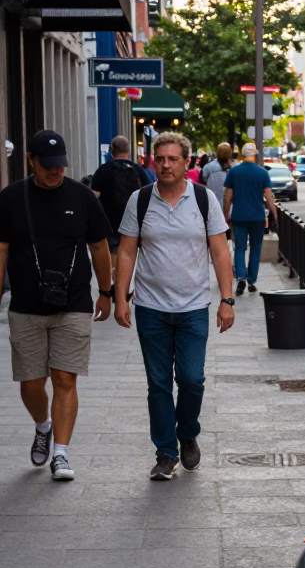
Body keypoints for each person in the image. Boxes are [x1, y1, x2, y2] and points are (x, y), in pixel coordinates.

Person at [113, 131, 236, 481]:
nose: (166, 165)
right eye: (160, 159)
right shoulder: (139, 200)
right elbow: (126, 251)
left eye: (173, 159)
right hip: (151, 306)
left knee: (192, 379)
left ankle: (188, 433)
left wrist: (227, 299)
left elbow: (219, 251)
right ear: (154, 161)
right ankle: (166, 452)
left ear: (186, 162)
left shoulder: (203, 199)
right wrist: (120, 296)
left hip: (194, 306)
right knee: (158, 382)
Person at [0, 129, 113, 481]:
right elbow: (1, 250)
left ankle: (61, 455)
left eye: (60, 165)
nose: (55, 171)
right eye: (47, 165)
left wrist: (107, 293)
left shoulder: (82, 197)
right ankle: (43, 425)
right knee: (31, 382)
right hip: (26, 305)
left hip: (74, 302)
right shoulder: (11, 199)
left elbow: (99, 247)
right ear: (31, 160)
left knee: (65, 378)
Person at [223, 142, 278, 295]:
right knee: (256, 247)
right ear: (255, 154)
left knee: (240, 248)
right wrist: (274, 213)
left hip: (238, 216)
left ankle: (241, 277)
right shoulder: (262, 173)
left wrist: (225, 216)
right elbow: (268, 196)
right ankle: (252, 279)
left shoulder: (233, 172)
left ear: (241, 154)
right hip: (258, 217)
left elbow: (227, 198)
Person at [90, 135, 148, 273]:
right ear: (128, 150)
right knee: (129, 249)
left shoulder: (103, 170)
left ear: (112, 151)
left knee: (114, 250)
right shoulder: (138, 170)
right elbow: (147, 194)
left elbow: (94, 196)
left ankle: (115, 281)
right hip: (133, 219)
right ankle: (124, 282)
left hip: (110, 220)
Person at [199, 143, 232, 207]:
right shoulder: (235, 167)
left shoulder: (209, 167)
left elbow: (203, 178)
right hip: (230, 205)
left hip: (212, 202)